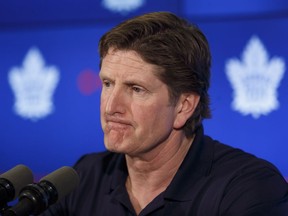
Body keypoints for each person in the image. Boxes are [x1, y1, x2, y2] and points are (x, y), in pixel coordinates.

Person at [42, 11, 288, 215]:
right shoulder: (85, 176)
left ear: (184, 106)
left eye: (136, 89)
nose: (110, 107)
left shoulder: (248, 188)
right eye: (107, 84)